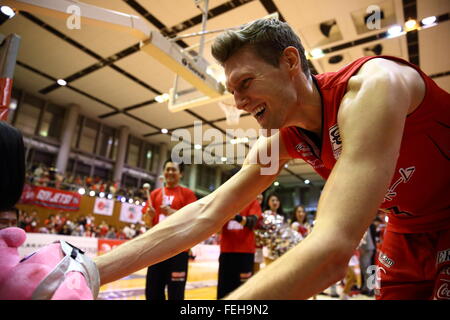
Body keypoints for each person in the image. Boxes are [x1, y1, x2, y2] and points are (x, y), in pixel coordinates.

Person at [93, 18, 449, 300]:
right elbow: (208, 211)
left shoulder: (373, 86)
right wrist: (92, 271)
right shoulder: (281, 139)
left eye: (245, 83)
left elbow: (330, 254)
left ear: (290, 61)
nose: (238, 102)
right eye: (233, 92)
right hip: (406, 232)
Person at [143, 160, 197, 300]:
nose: (170, 172)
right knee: (152, 293)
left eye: (174, 170)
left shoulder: (188, 194)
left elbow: (193, 220)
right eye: (167, 169)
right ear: (163, 172)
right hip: (155, 250)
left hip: (178, 251)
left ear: (181, 174)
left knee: (176, 294)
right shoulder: (154, 194)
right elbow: (147, 222)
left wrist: (173, 212)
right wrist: (148, 216)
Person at [217, 197, 262, 299]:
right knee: (224, 289)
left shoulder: (253, 202)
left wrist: (236, 216)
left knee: (243, 290)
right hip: (226, 251)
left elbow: (252, 222)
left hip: (245, 252)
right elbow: (218, 229)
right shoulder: (226, 203)